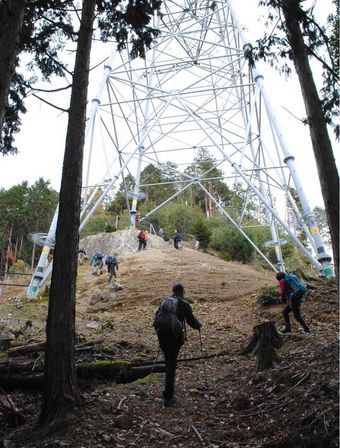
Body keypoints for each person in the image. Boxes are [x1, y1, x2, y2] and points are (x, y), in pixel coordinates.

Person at [153, 283, 202, 407]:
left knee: (168, 361)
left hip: (161, 335)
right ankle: (168, 396)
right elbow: (192, 322)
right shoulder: (184, 304)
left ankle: (168, 390)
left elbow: (157, 317)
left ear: (173, 291)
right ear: (182, 292)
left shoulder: (164, 301)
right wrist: (199, 325)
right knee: (171, 365)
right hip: (175, 337)